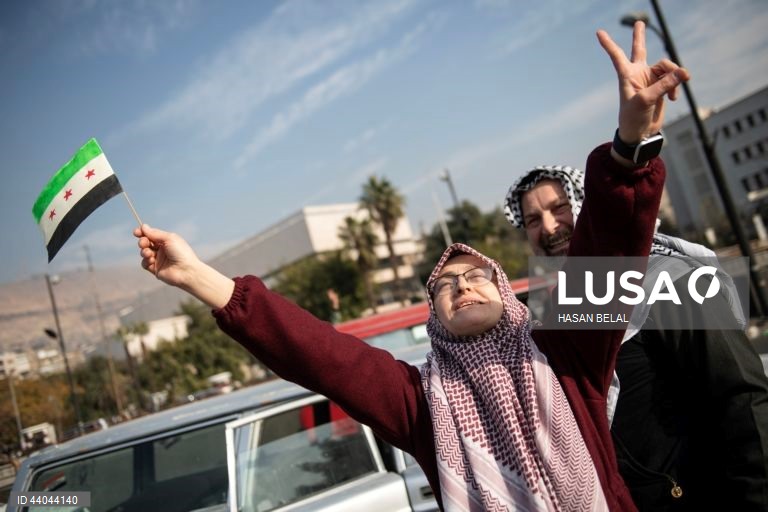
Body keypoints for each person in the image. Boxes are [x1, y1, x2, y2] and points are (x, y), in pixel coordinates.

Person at [134, 23, 684, 511]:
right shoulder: (422, 404)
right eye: (444, 286)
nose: (461, 286)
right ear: (434, 320)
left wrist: (631, 145)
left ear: (506, 292)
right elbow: (322, 357)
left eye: (475, 276)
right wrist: (197, 277)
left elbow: (608, 250)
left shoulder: (568, 357)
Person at [504, 167, 768, 508]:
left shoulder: (670, 278)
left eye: (559, 208)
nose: (550, 228)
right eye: (533, 220)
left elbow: (743, 397)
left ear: (587, 206)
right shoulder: (560, 313)